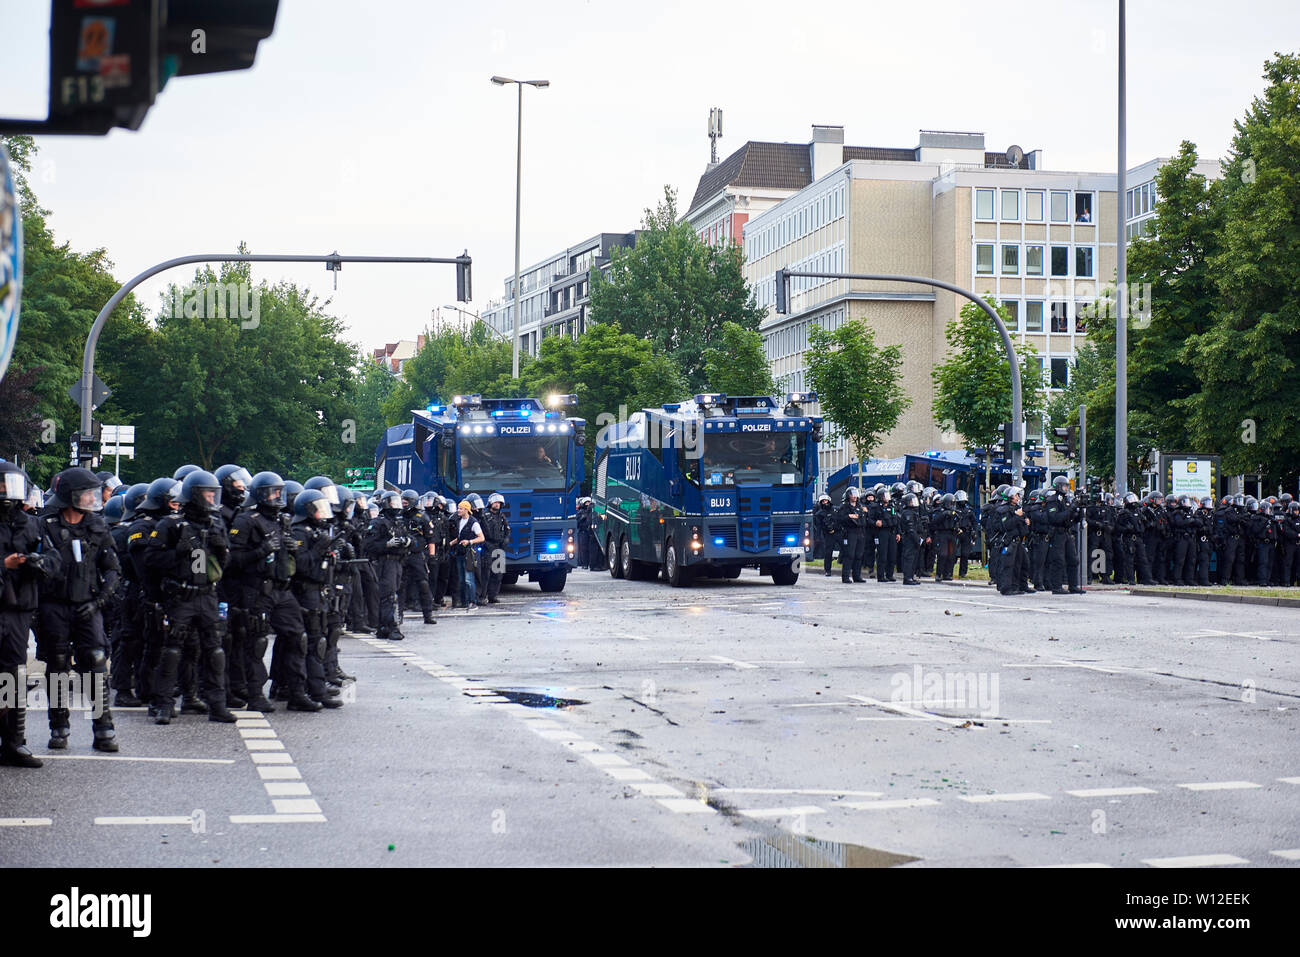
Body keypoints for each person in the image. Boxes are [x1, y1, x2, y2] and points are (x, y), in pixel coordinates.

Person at [37, 467, 121, 752]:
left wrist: (99, 602)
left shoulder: (98, 525)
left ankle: (103, 728)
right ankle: (59, 726)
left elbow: (112, 569)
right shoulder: (43, 524)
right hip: (54, 605)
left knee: (96, 662)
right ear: (68, 496)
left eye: (92, 493)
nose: (91, 498)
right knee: (58, 664)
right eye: (85, 493)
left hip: (88, 605)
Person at [143, 469, 237, 723]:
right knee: (173, 650)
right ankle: (163, 704)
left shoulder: (216, 523)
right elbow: (150, 559)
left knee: (214, 650)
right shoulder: (171, 524)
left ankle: (217, 704)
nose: (212, 499)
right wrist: (178, 554)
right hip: (181, 595)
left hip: (207, 595)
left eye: (213, 494)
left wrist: (221, 549)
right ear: (195, 495)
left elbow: (224, 563)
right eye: (207, 493)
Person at [229, 471, 317, 711]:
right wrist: (261, 550)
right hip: (258, 589)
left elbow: (292, 558)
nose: (277, 496)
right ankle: (255, 694)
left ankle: (296, 691)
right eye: (272, 492)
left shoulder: (282, 520)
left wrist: (292, 548)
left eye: (280, 492)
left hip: (282, 589)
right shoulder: (246, 519)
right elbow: (233, 559)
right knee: (256, 642)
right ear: (260, 494)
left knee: (298, 638)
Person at [0, 462, 60, 767]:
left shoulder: (32, 523)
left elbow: (54, 558)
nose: (7, 491)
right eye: (3, 485)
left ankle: (14, 742)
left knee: (12, 675)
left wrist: (39, 562)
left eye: (10, 485)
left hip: (19, 609)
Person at [289, 489, 344, 709]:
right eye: (318, 508)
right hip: (304, 591)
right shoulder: (299, 532)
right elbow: (301, 566)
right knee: (308, 643)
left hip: (319, 589)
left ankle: (317, 689)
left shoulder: (315, 531)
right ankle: (303, 692)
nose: (323, 512)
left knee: (319, 641)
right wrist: (319, 549)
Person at [362, 491, 411, 639]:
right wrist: (387, 544)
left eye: (397, 501)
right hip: (385, 562)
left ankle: (383, 626)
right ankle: (391, 627)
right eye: (392, 502)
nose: (396, 505)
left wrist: (407, 541)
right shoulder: (377, 522)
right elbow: (368, 545)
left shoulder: (399, 521)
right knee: (388, 596)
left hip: (398, 562)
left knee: (394, 593)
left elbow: (411, 539)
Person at [451, 501, 485, 609]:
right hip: (460, 553)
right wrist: (451, 543)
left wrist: (470, 542)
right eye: (458, 508)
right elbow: (460, 537)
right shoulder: (459, 521)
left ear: (466, 510)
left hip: (469, 554)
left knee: (468, 579)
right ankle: (464, 601)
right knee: (461, 579)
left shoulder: (473, 523)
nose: (458, 510)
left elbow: (481, 537)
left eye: (460, 508)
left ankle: (472, 601)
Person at [479, 493, 510, 604]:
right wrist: (485, 543)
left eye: (499, 503)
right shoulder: (484, 515)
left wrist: (506, 540)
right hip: (487, 547)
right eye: (495, 502)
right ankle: (482, 596)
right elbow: (480, 531)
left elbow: (507, 530)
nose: (497, 505)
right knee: (485, 574)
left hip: (499, 547)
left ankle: (493, 596)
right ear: (491, 503)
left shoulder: (501, 516)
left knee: (497, 574)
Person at [835, 487, 865, 584]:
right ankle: (846, 576)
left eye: (856, 494)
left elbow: (863, 519)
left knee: (859, 555)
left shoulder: (860, 507)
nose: (855, 496)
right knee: (849, 555)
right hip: (850, 532)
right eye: (852, 494)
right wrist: (848, 516)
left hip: (859, 532)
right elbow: (839, 519)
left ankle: (857, 576)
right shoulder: (845, 507)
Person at [812, 493, 835, 576]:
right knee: (828, 552)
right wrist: (817, 537)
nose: (825, 502)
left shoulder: (834, 509)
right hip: (828, 533)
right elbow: (818, 526)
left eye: (826, 501)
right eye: (823, 501)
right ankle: (827, 570)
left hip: (838, 532)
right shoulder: (819, 513)